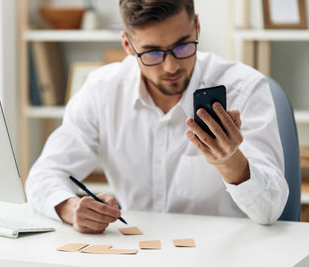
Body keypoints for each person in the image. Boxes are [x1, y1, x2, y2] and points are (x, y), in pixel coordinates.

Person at [26, 0, 288, 234]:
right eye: (152, 53)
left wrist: (231, 162)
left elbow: (270, 211)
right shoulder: (101, 90)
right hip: (138, 252)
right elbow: (43, 175)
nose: (171, 66)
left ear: (197, 26)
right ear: (128, 44)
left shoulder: (245, 88)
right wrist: (70, 207)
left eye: (183, 46)